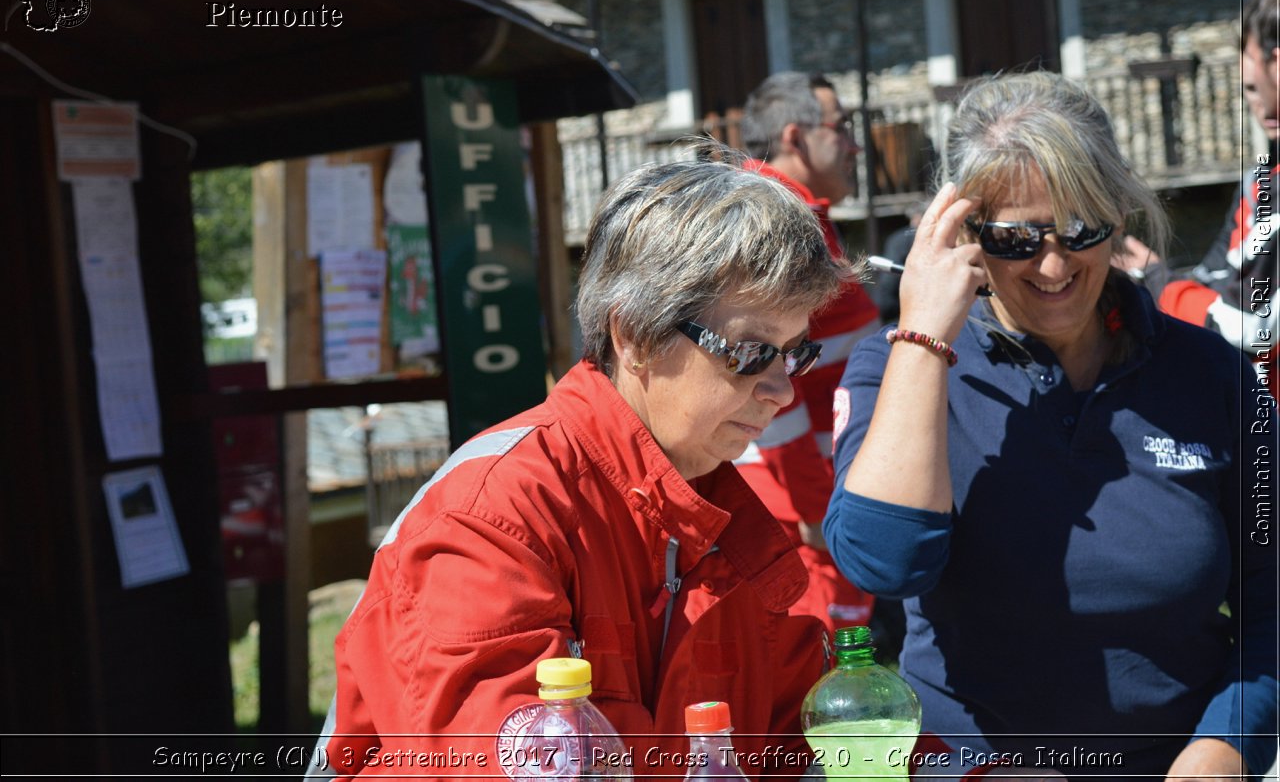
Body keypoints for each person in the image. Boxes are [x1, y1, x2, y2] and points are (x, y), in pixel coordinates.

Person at [312, 157, 860, 778]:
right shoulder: (492, 514)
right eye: (752, 352)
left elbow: (805, 739)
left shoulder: (714, 511)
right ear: (634, 339)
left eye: (795, 354)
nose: (782, 390)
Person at [824, 71, 1278, 780]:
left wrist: (1225, 747)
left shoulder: (1211, 376)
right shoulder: (899, 370)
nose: (1055, 264)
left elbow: (1271, 604)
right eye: (1015, 238)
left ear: (1119, 213)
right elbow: (884, 562)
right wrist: (922, 337)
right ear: (961, 232)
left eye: (1079, 227)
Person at [737, 71, 881, 634]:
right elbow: (762, 375)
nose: (854, 145)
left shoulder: (796, 216)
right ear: (795, 138)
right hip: (797, 511)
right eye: (841, 127)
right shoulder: (778, 223)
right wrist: (818, 506)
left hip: (806, 501)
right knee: (819, 684)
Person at [1119, 0, 1279, 397]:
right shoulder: (1260, 184)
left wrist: (1155, 280)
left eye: (1252, 85)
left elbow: (1245, 327)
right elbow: (1214, 275)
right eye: (1247, 92)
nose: (1260, 107)